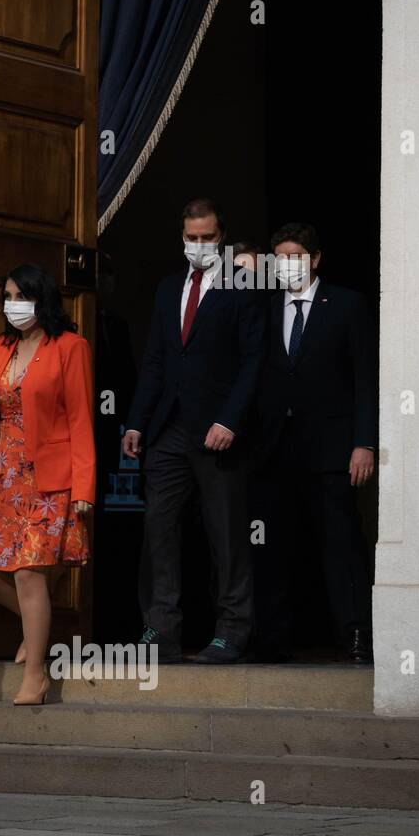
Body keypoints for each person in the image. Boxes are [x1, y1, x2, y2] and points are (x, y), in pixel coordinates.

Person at [123, 198, 265, 663]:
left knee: (225, 533)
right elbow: (157, 361)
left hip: (219, 431)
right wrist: (137, 422)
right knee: (159, 526)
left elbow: (253, 362)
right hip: (169, 430)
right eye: (192, 238)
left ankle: (232, 631)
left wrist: (230, 420)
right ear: (181, 237)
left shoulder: (242, 286)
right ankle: (160, 630)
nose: (199, 246)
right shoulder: (168, 289)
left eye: (207, 238)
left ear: (221, 237)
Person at [0, 264, 95, 704]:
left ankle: (35, 676)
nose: (12, 304)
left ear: (42, 298)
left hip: (49, 478)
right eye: (7, 296)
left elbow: (80, 418)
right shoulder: (0, 347)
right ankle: (37, 627)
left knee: (29, 573)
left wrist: (84, 487)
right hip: (2, 474)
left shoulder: (70, 347)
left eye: (20, 295)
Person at [251, 223, 376, 662]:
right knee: (273, 546)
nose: (287, 264)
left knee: (341, 543)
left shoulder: (346, 305)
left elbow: (365, 378)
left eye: (296, 255)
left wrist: (365, 442)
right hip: (275, 450)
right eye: (280, 256)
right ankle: (274, 638)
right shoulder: (264, 309)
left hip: (332, 450)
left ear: (316, 259)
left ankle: (357, 633)